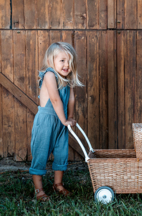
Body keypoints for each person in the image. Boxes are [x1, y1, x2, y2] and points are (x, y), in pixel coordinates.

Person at [29, 42, 84, 201]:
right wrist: (64, 119)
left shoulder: (68, 78)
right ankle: (38, 189)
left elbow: (71, 99)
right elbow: (54, 99)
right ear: (51, 60)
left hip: (62, 121)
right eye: (62, 61)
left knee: (61, 153)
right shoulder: (49, 75)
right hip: (47, 121)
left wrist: (70, 117)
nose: (67, 65)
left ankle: (58, 184)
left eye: (70, 62)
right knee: (41, 152)